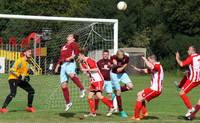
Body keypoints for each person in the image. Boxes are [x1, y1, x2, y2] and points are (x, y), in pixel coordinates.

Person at [78, 49, 114, 117]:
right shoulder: (83, 62)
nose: (78, 57)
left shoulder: (89, 60)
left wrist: (87, 69)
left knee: (99, 95)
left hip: (98, 80)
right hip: (94, 81)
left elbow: (96, 69)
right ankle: (93, 112)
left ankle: (111, 107)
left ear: (82, 55)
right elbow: (83, 70)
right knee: (89, 96)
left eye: (79, 55)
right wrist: (80, 63)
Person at [54, 34, 85, 112]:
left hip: (70, 63)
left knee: (72, 75)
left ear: (73, 39)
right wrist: (57, 66)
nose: (68, 36)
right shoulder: (64, 46)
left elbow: (77, 53)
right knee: (63, 86)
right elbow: (61, 57)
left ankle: (82, 88)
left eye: (70, 36)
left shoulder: (74, 44)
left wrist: (71, 57)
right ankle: (68, 103)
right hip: (63, 65)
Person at [0, 48, 36, 113]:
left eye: (31, 52)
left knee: (31, 91)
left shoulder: (29, 62)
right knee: (13, 93)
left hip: (20, 80)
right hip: (13, 78)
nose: (30, 53)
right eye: (29, 52)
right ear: (24, 53)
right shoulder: (19, 60)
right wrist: (19, 76)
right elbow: (11, 70)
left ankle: (29, 107)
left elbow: (24, 73)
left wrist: (27, 77)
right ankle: (3, 108)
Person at [131, 55, 164, 121]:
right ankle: (144, 113)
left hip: (156, 90)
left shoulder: (158, 66)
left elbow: (150, 66)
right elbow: (147, 70)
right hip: (153, 88)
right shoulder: (154, 67)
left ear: (152, 60)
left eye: (149, 60)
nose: (148, 62)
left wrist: (145, 60)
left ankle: (136, 117)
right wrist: (138, 69)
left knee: (140, 98)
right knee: (139, 94)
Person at [176, 46, 200, 117]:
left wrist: (177, 57)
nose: (187, 51)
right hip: (198, 78)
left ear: (193, 51)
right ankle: (192, 115)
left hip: (194, 79)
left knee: (181, 92)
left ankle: (190, 109)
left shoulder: (191, 58)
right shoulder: (199, 56)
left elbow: (181, 64)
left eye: (189, 50)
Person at [110, 49, 134, 117]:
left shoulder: (126, 57)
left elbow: (126, 63)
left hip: (122, 73)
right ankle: (121, 111)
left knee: (131, 86)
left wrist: (122, 67)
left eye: (122, 57)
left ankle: (116, 92)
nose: (120, 58)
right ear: (117, 55)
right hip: (114, 74)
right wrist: (116, 66)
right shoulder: (113, 57)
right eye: (119, 57)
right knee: (119, 92)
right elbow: (114, 63)